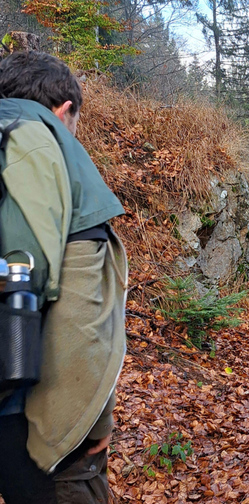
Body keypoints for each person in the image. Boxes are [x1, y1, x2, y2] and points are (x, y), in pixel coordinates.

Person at [0, 51, 128, 503]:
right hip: (25, 403)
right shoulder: (59, 154)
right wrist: (93, 423)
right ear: (64, 109)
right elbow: (82, 319)